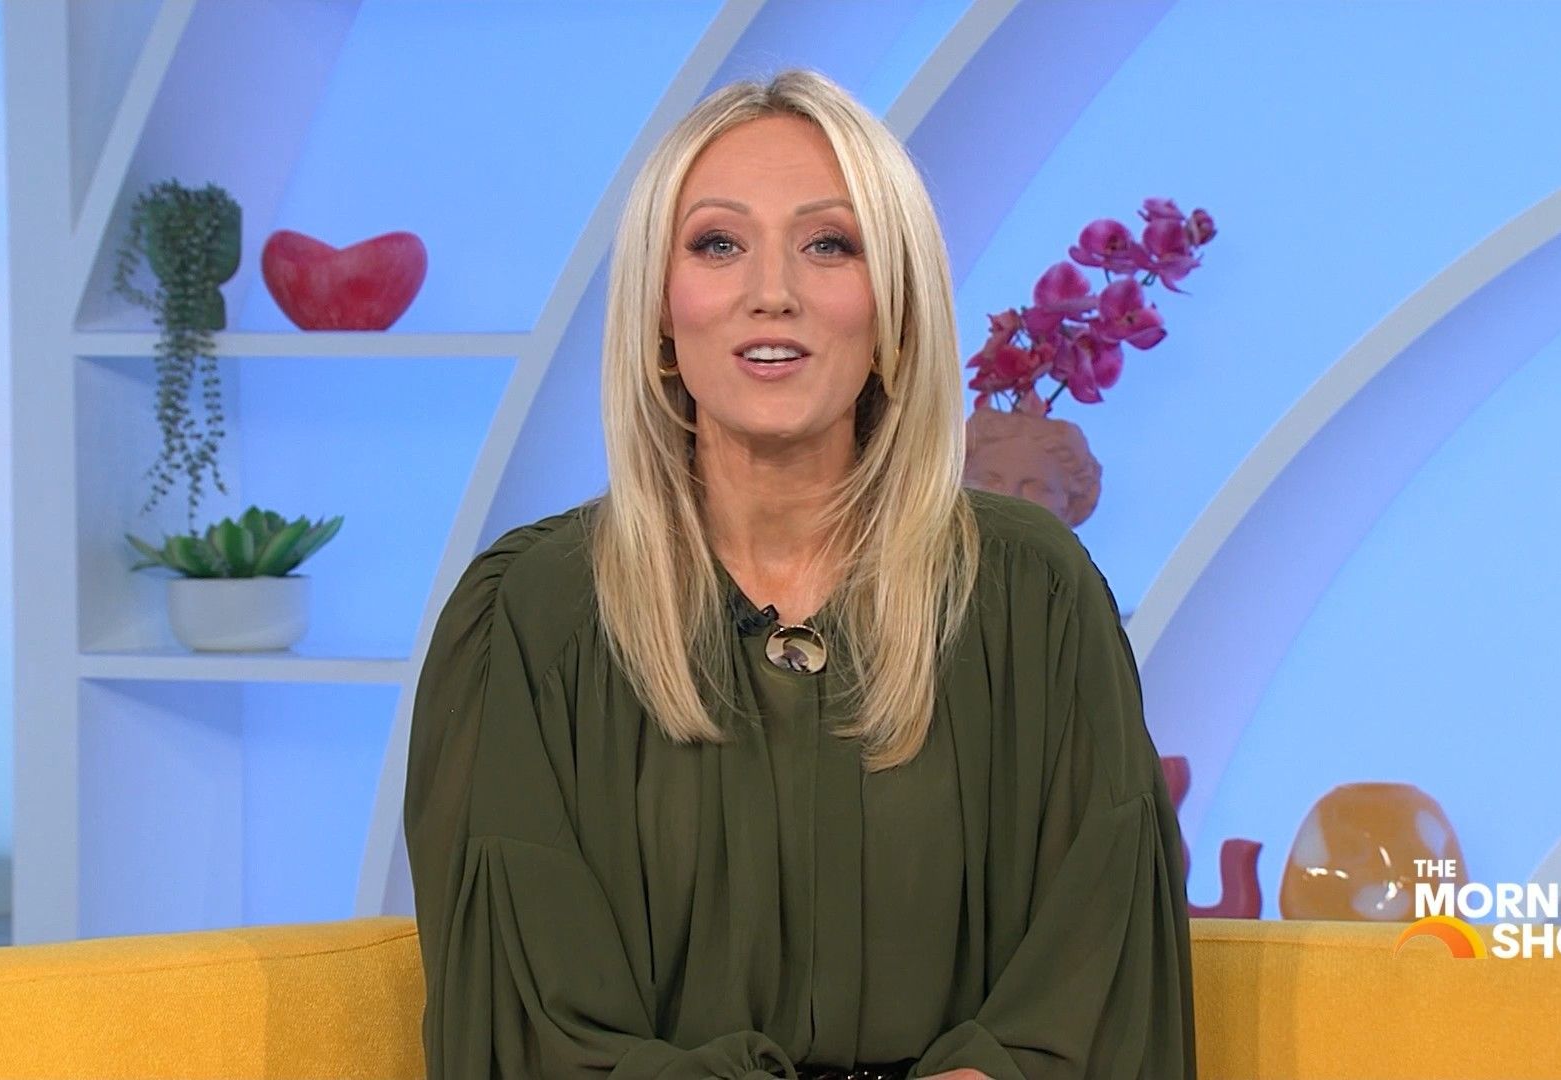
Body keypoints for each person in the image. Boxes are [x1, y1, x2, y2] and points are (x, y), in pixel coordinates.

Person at [404, 68, 1197, 1080]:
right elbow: (532, 1029)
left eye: (829, 244)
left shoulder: (1034, 595)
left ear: (894, 308)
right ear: (659, 309)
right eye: (717, 244)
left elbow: (1093, 986)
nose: (770, 291)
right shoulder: (531, 614)